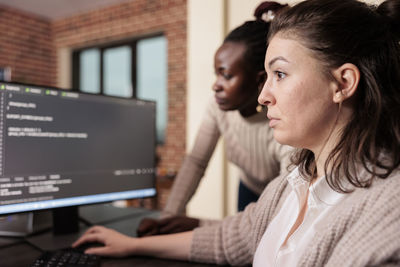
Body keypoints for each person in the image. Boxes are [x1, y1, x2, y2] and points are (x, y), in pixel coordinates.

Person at [73, 0, 400, 265]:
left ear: (343, 83)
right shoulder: (294, 181)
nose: (264, 96)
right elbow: (237, 235)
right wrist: (136, 243)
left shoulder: (386, 216)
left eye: (281, 74)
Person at [136, 1, 291, 237]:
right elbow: (196, 161)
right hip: (249, 188)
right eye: (216, 73)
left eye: (226, 75)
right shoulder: (217, 106)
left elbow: (284, 204)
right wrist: (167, 220)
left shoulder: (285, 119)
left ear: (260, 80)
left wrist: (199, 225)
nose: (215, 85)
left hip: (283, 191)